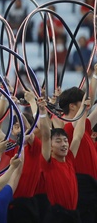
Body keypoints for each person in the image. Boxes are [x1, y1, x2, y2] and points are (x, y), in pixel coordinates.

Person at [38, 93, 88, 223]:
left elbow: (78, 135)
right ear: (51, 147)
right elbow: (45, 135)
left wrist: (84, 110)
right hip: (57, 216)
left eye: (65, 141)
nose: (64, 144)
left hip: (73, 215)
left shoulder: (70, 159)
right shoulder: (48, 163)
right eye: (58, 141)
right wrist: (43, 111)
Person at [57, 86, 97, 222]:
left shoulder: (84, 126)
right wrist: (94, 76)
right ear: (73, 106)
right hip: (81, 185)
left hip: (92, 185)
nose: (88, 104)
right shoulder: (69, 126)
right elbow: (89, 97)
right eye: (83, 102)